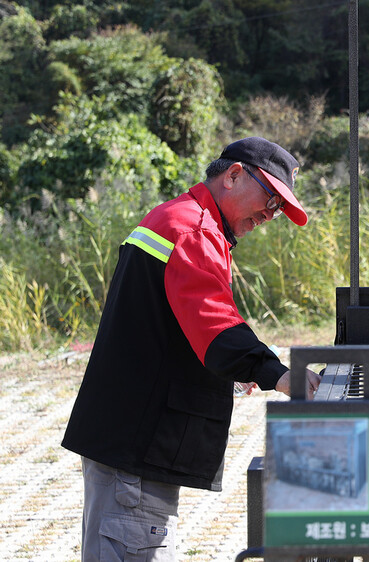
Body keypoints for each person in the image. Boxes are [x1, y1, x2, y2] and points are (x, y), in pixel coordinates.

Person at [61, 137, 323, 561]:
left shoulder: (186, 219)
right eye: (271, 199)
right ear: (234, 175)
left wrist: (231, 374)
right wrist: (275, 373)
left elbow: (174, 327)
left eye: (278, 209)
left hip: (128, 443)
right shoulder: (194, 230)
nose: (269, 216)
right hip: (136, 455)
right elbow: (215, 324)